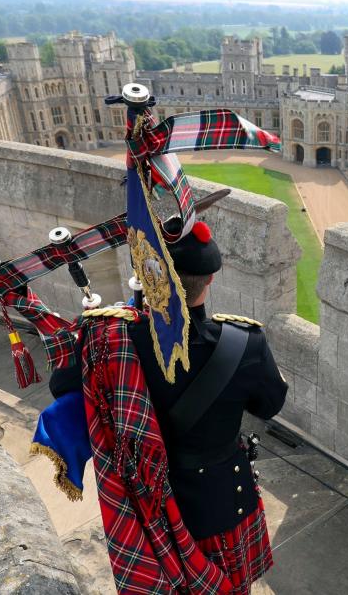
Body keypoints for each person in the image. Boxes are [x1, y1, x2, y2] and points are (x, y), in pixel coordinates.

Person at [51, 219, 287, 594]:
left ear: (149, 279)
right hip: (220, 504)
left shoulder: (108, 339)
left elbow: (60, 386)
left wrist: (86, 329)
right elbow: (270, 404)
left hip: (146, 509)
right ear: (209, 281)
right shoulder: (246, 343)